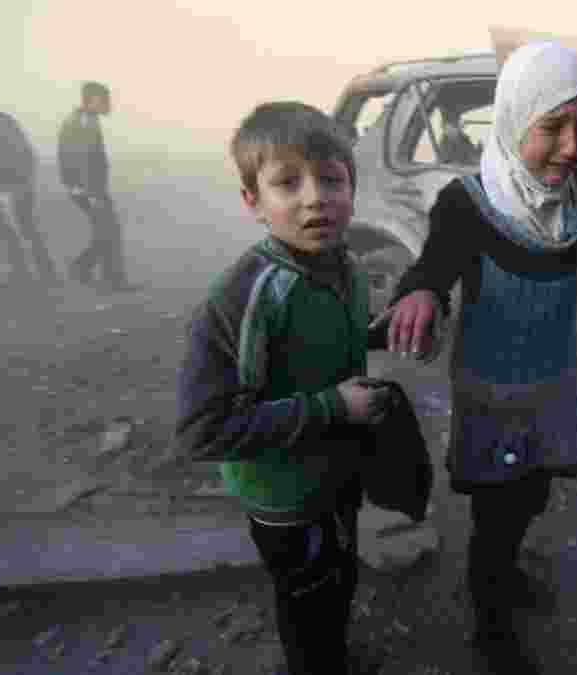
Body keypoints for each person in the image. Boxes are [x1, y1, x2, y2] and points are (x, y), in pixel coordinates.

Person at [374, 41, 577, 671]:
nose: (567, 147)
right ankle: (490, 618)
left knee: (531, 495)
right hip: (492, 392)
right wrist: (418, 292)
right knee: (496, 511)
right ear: (511, 122)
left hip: (550, 386)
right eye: (551, 127)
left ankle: (501, 577)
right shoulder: (468, 203)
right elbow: (433, 265)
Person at [172, 101, 397, 675]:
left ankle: (332, 657)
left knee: (337, 578)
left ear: (352, 187)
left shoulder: (340, 263)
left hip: (337, 472)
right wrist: (333, 405)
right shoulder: (245, 296)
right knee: (305, 599)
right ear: (253, 202)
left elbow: (315, 342)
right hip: (285, 497)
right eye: (287, 183)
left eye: (330, 180)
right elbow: (206, 429)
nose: (314, 197)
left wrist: (382, 332)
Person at [0, 91, 58, 287]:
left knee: (9, 232)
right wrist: (27, 178)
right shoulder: (2, 118)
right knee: (27, 230)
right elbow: (26, 150)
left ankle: (25, 274)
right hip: (14, 185)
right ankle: (43, 272)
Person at [57, 81, 137, 292]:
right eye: (105, 100)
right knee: (109, 231)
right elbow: (81, 158)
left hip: (86, 187)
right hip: (89, 189)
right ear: (92, 100)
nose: (109, 105)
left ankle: (82, 269)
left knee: (105, 232)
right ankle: (112, 279)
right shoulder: (83, 122)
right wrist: (89, 191)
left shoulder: (85, 119)